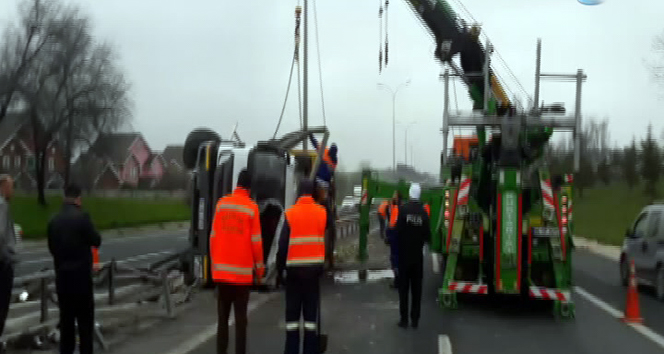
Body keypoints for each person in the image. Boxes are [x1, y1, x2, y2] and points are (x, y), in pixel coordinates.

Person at [209, 169, 264, 354]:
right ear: (249, 188)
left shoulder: (221, 204)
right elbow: (256, 243)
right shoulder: (252, 208)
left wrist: (215, 267)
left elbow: (213, 237)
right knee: (241, 322)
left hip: (222, 276)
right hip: (241, 277)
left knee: (222, 320)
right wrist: (260, 271)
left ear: (237, 184)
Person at [47, 184, 101, 354]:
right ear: (78, 198)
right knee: (85, 324)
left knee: (66, 322)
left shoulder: (54, 221)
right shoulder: (83, 218)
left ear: (64, 197)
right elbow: (96, 240)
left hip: (63, 280)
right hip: (82, 281)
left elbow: (52, 248)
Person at [277, 179, 327, 354]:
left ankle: (291, 350)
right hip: (313, 274)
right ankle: (310, 350)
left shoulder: (291, 214)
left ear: (298, 192)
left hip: (294, 275)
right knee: (310, 320)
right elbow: (325, 238)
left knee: (292, 320)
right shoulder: (321, 213)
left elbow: (282, 245)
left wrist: (279, 270)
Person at [395, 183, 431, 329]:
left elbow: (397, 231)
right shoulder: (423, 213)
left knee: (403, 290)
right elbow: (428, 236)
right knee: (416, 291)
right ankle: (415, 320)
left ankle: (404, 320)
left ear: (410, 194)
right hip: (418, 258)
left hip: (404, 257)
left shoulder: (403, 210)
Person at [0, 175, 16, 350]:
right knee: (2, 307)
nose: (13, 191)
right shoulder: (2, 206)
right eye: (11, 187)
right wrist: (5, 259)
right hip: (3, 266)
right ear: (3, 187)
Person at [386, 191, 402, 289]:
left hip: (395, 237)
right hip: (394, 236)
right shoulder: (395, 207)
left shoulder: (398, 209)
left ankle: (398, 282)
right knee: (395, 259)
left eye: (394, 195)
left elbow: (394, 225)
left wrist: (390, 236)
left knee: (395, 260)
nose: (392, 197)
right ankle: (398, 280)